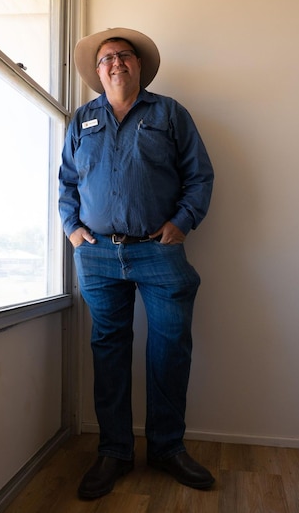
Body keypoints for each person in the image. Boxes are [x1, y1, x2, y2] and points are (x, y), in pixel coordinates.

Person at [58, 27, 215, 500]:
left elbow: (199, 174)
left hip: (158, 251)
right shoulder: (81, 119)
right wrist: (72, 230)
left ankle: (168, 448)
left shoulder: (170, 113)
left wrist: (183, 221)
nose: (116, 63)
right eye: (107, 58)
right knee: (108, 352)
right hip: (99, 255)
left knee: (169, 349)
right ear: (98, 71)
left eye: (124, 56)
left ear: (139, 66)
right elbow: (66, 181)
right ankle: (115, 452)